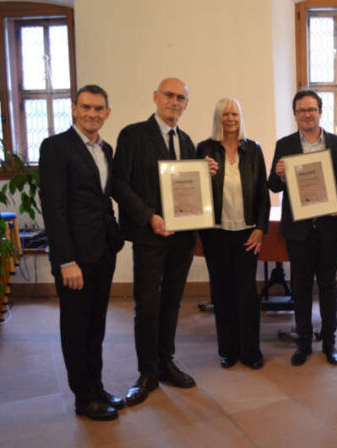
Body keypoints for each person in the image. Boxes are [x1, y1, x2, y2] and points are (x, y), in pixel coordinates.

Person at [112, 78, 217, 406]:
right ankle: (147, 372)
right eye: (169, 95)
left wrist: (205, 172)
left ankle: (166, 361)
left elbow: (188, 189)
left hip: (181, 238)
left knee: (172, 302)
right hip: (149, 235)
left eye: (181, 98)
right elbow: (119, 184)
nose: (174, 102)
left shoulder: (186, 141)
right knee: (147, 305)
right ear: (156, 97)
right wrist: (149, 217)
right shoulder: (132, 135)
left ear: (186, 104)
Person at [39, 85, 125, 420]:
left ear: (107, 112)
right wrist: (65, 260)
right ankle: (82, 397)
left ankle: (97, 387)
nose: (92, 114)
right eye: (86, 107)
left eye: (99, 108)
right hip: (74, 257)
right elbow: (54, 209)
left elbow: (107, 196)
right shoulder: (56, 147)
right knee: (76, 327)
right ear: (74, 109)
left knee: (96, 324)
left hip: (103, 251)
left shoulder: (106, 148)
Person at [268, 90, 337, 366]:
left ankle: (329, 342)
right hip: (299, 230)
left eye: (312, 109)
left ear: (320, 112)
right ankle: (303, 342)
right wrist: (278, 174)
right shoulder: (285, 145)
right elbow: (273, 185)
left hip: (329, 228)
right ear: (295, 115)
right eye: (302, 110)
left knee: (328, 286)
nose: (307, 114)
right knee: (301, 287)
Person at [197, 97, 270, 370]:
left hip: (247, 233)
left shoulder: (254, 150)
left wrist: (261, 229)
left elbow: (263, 194)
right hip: (215, 232)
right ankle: (228, 350)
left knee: (247, 293)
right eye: (225, 114)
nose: (230, 119)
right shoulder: (204, 149)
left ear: (240, 118)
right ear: (218, 118)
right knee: (222, 292)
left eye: (235, 114)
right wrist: (201, 174)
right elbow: (191, 189)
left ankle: (251, 351)